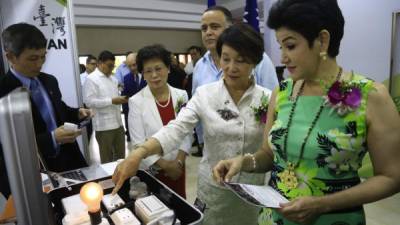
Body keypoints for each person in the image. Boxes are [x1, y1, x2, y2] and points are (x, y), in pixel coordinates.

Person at [212, 1, 400, 225]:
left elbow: (392, 177)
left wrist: (324, 203)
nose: (282, 58)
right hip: (274, 218)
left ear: (322, 40)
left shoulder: (370, 96)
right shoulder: (282, 93)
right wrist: (243, 162)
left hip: (334, 219)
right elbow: (269, 155)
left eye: (290, 46)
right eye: (281, 47)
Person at [112, 24, 273, 225]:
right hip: (214, 190)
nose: (231, 67)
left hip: (252, 190)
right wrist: (139, 153)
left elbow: (271, 150)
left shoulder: (268, 98)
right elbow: (177, 128)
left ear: (255, 61)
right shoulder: (205, 94)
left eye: (241, 60)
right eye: (226, 58)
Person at [0, 23, 91, 197]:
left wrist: (77, 113)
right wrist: (51, 139)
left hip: (70, 163)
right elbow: (5, 148)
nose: (40, 64)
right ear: (11, 57)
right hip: (32, 173)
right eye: (33, 58)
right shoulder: (3, 92)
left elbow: (58, 110)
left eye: (43, 57)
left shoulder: (49, 81)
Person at [192, 5, 279, 157]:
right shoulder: (199, 66)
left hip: (252, 152)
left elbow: (274, 103)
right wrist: (201, 141)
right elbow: (195, 107)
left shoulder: (260, 60)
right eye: (204, 28)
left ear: (230, 29)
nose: (208, 32)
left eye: (214, 27)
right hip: (214, 153)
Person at [128, 45, 192, 198]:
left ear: (168, 68)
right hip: (153, 170)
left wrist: (179, 162)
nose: (154, 75)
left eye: (159, 68)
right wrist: (166, 166)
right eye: (148, 71)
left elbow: (187, 132)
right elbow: (138, 143)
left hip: (178, 167)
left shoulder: (181, 95)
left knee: (180, 207)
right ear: (142, 74)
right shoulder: (136, 101)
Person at [83, 50, 128, 163]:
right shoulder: (92, 79)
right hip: (103, 126)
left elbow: (114, 97)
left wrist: (120, 99)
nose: (111, 69)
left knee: (121, 158)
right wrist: (112, 101)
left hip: (118, 124)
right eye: (109, 66)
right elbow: (89, 102)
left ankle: (122, 180)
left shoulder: (113, 79)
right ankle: (109, 180)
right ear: (100, 63)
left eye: (113, 66)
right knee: (107, 160)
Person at [121, 52, 146, 145]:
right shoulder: (126, 78)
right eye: (129, 66)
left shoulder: (149, 74)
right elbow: (125, 99)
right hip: (135, 116)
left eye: (134, 65)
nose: (132, 68)